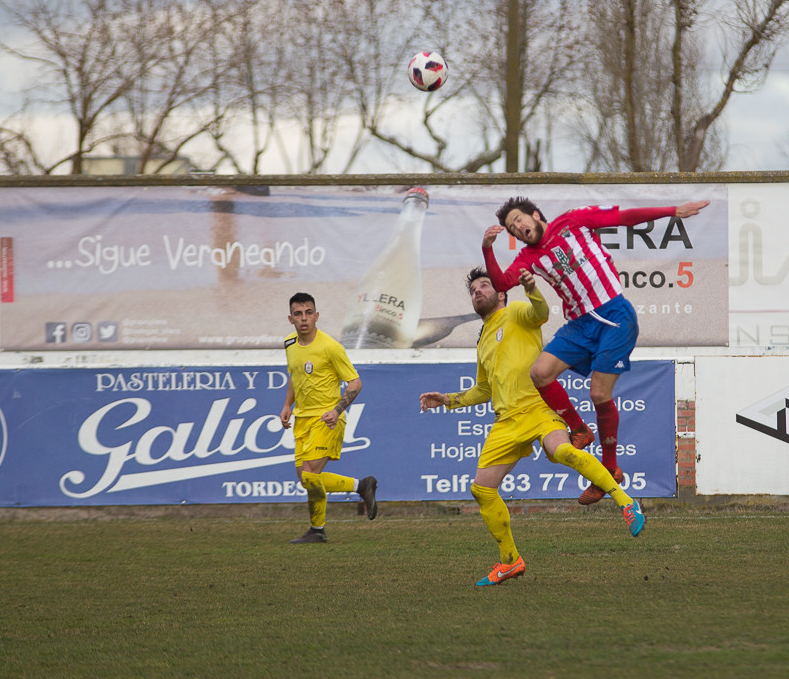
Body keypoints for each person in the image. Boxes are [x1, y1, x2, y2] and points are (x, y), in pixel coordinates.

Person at [419, 267, 645, 587]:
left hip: (539, 408)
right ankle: (510, 561)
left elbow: (540, 313)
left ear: (501, 294)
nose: (477, 292)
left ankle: (626, 503)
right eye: (473, 290)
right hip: (506, 421)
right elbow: (484, 390)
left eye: (485, 286)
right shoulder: (483, 339)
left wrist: (531, 288)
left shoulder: (515, 312)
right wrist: (448, 399)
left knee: (564, 451)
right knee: (481, 489)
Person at [483, 196, 711, 505]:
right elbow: (501, 283)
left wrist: (672, 211)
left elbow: (627, 216)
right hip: (579, 325)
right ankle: (579, 429)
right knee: (539, 373)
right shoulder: (529, 257)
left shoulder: (574, 220)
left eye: (520, 220)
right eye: (512, 228)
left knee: (599, 394)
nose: (518, 228)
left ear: (536, 214)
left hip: (614, 316)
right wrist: (488, 248)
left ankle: (610, 469)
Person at [279, 291, 377, 544]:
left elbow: (355, 383)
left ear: (317, 316)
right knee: (306, 480)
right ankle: (319, 529)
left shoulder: (331, 347)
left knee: (311, 474)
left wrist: (337, 410)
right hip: (302, 420)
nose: (304, 319)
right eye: (298, 314)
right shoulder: (290, 344)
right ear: (290, 319)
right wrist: (287, 404)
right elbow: (295, 374)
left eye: (309, 313)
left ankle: (360, 487)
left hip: (327, 418)